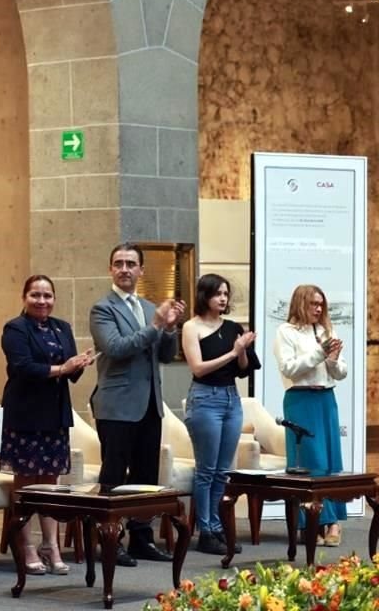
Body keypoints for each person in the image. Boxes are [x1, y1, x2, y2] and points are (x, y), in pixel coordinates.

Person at [89, 242, 185, 566]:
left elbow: (167, 355)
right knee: (114, 475)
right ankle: (110, 541)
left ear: (142, 270)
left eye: (131, 263)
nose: (125, 269)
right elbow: (116, 348)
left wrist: (170, 329)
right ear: (110, 269)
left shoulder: (148, 307)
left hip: (149, 405)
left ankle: (141, 538)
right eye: (119, 263)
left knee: (145, 474)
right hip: (117, 404)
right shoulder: (102, 309)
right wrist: (157, 325)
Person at [0, 275, 94, 575]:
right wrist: (61, 368)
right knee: (26, 482)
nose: (42, 301)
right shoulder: (15, 328)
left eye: (47, 296)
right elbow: (22, 367)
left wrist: (77, 365)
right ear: (24, 297)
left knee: (51, 484)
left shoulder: (62, 328)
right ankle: (26, 546)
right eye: (35, 295)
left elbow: (69, 371)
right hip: (25, 414)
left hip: (54, 414)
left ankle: (51, 546)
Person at [181, 273, 259, 555]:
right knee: (207, 469)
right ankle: (205, 530)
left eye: (226, 294)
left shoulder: (233, 327)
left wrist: (241, 351)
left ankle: (216, 527)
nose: (223, 299)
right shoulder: (192, 327)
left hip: (230, 398)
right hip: (205, 399)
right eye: (218, 294)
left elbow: (243, 368)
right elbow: (198, 368)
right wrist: (233, 351)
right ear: (205, 296)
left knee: (223, 471)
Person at [273, 284, 347, 547]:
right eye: (313, 304)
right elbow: (289, 368)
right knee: (309, 461)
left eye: (321, 304)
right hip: (301, 399)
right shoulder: (286, 332)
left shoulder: (325, 331)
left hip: (326, 398)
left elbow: (340, 373)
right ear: (300, 304)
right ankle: (309, 524)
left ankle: (333, 523)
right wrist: (319, 353)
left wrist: (333, 360)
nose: (318, 309)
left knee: (329, 460)